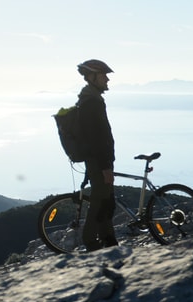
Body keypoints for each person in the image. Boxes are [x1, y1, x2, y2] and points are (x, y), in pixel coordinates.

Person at [75, 59, 119, 250]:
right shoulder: (91, 102)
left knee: (106, 200)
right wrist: (105, 166)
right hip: (100, 161)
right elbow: (97, 138)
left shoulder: (91, 99)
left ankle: (108, 239)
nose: (107, 79)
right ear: (92, 77)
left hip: (98, 160)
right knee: (100, 201)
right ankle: (91, 241)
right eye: (104, 75)